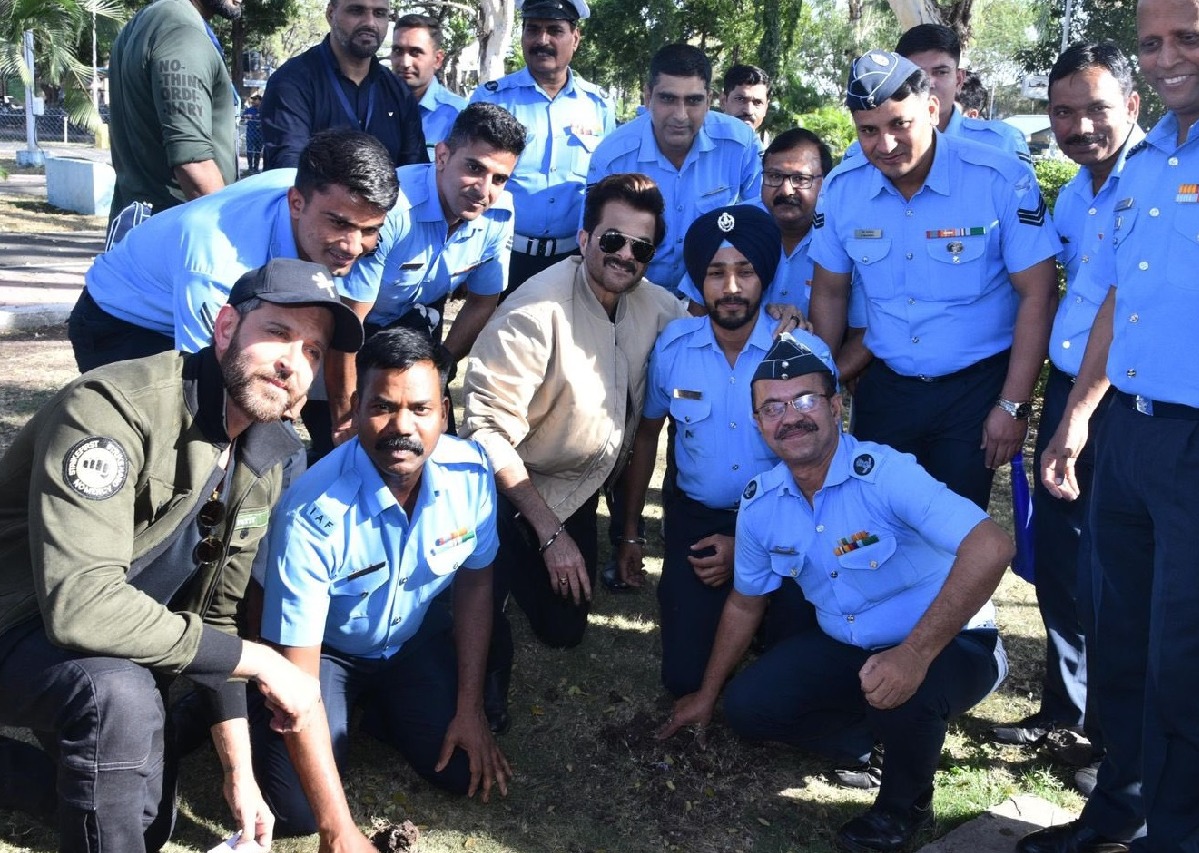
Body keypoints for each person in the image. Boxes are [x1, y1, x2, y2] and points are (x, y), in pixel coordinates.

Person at [1020, 3, 1199, 852]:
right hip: (1125, 437)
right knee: (1120, 641)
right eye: (1152, 42)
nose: (1168, 58)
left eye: (1192, 37)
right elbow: (1120, 299)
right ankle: (1117, 806)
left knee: (1189, 664)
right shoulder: (1150, 157)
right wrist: (1077, 418)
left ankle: (1176, 838)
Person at [0, 257, 364, 853]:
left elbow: (214, 617)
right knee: (117, 696)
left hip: (106, 639)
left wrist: (239, 774)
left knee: (146, 825)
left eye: (313, 352)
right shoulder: (111, 408)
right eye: (277, 333)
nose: (292, 363)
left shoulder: (266, 450)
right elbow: (81, 607)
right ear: (225, 329)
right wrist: (266, 663)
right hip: (18, 620)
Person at [659, 332, 1012, 853]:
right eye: (773, 408)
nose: (791, 417)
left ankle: (902, 805)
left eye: (805, 401)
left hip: (951, 643)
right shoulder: (761, 504)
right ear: (759, 425)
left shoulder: (887, 474)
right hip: (848, 645)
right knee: (749, 708)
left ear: (835, 405)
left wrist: (913, 655)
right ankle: (866, 737)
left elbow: (991, 546)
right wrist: (708, 694)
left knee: (905, 690)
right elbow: (744, 601)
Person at [251, 327, 509, 844]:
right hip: (327, 654)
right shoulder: (311, 511)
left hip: (411, 640)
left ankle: (383, 713)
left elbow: (477, 586)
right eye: (382, 407)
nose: (401, 427)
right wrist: (338, 829)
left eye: (420, 408)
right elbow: (297, 664)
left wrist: (469, 706)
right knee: (298, 811)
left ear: (444, 413)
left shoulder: (473, 472)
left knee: (459, 772)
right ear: (353, 409)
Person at [460, 173, 687, 731]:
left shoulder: (653, 304)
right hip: (512, 490)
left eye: (641, 247)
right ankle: (481, 586)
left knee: (565, 630)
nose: (625, 256)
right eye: (612, 240)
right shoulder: (535, 311)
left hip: (578, 490)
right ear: (583, 239)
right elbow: (485, 432)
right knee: (499, 602)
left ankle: (523, 569)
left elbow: (712, 333)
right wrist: (550, 533)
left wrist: (781, 324)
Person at [987, 44, 1141, 793]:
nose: (1079, 125)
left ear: (1133, 107)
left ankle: (1115, 740)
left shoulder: (1152, 183)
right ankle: (1065, 710)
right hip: (1068, 384)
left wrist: (1078, 410)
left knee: (1112, 572)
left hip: (1120, 401)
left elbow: (1129, 309)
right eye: (1063, 112)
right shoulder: (1078, 190)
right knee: (1058, 559)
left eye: (1096, 108)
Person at [808, 50, 1058, 511]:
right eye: (868, 130)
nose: (884, 144)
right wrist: (820, 380)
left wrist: (1013, 405)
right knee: (877, 529)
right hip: (887, 391)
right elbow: (829, 290)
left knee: (957, 540)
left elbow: (1038, 295)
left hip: (974, 395)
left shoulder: (999, 179)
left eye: (898, 124)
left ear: (931, 109)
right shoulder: (843, 190)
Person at [619, 204, 820, 696]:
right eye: (716, 273)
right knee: (683, 679)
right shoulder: (673, 347)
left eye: (745, 272)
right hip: (699, 519)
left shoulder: (800, 352)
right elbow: (647, 438)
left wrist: (747, 547)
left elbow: (820, 466)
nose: (731, 288)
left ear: (765, 277)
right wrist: (628, 534)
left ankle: (765, 619)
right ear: (697, 280)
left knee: (789, 656)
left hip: (782, 518)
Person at [69, 129, 398, 372]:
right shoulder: (217, 260)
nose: (353, 246)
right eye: (339, 225)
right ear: (296, 202)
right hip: (121, 325)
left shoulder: (325, 197)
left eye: (369, 230)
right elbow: (208, 376)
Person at [326, 103, 525, 448]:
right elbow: (346, 326)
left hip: (416, 325)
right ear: (443, 156)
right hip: (347, 325)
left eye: (499, 178)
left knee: (426, 447)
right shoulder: (393, 209)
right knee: (347, 447)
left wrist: (442, 363)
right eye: (474, 168)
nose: (484, 189)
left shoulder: (499, 214)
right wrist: (346, 419)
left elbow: (483, 302)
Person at [586, 43, 762, 294]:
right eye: (668, 99)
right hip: (632, 294)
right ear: (648, 98)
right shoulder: (612, 157)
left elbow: (760, 222)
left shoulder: (740, 145)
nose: (680, 115)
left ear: (709, 100)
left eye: (693, 101)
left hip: (711, 296)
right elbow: (594, 243)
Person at [470, 0, 614, 292]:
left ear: (575, 38)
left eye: (554, 30)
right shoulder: (492, 99)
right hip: (501, 256)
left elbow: (606, 183)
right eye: (533, 29)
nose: (542, 40)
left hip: (572, 260)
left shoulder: (598, 105)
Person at [106, 0, 240, 238]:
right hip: (177, 243)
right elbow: (194, 165)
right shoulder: (180, 29)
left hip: (140, 235)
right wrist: (234, 239)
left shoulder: (147, 20)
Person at [678, 128, 832, 317]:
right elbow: (697, 314)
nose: (786, 190)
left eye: (800, 179)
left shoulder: (840, 232)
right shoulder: (732, 224)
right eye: (774, 176)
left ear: (825, 183)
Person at [261, 0, 425, 170]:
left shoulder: (399, 92)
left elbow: (415, 173)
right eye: (356, 11)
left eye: (380, 14)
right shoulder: (291, 83)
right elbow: (288, 171)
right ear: (331, 14)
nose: (370, 23)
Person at [895, 24, 1030, 160]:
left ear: (959, 80)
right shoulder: (879, 144)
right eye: (916, 73)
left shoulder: (1002, 142)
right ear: (897, 79)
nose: (929, 83)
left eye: (941, 72)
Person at [390, 14, 466, 160]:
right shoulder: (375, 105)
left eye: (415, 52)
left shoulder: (458, 115)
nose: (405, 63)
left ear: (437, 59)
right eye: (398, 51)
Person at [721, 64, 770, 136]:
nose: (749, 111)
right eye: (740, 99)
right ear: (723, 101)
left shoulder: (760, 147)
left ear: (765, 108)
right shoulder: (702, 143)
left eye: (758, 102)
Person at [244, 93, 265, 173]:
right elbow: (243, 116)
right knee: (249, 150)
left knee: (258, 151)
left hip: (260, 134)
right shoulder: (249, 109)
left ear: (260, 101)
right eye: (253, 99)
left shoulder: (264, 109)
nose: (253, 101)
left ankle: (256, 168)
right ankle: (250, 167)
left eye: (255, 99)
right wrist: (246, 116)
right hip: (251, 133)